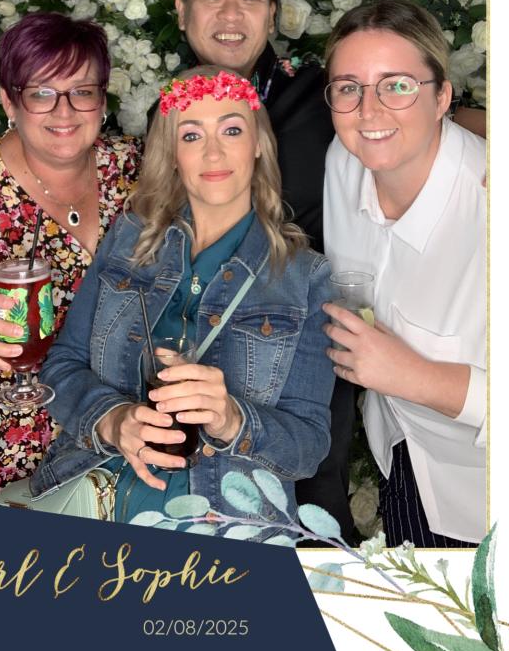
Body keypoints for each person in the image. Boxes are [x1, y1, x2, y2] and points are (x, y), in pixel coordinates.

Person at [30, 68, 334, 536]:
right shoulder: (129, 239)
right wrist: (113, 419)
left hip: (225, 528)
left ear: (258, 143)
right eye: (192, 135)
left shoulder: (304, 276)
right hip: (97, 502)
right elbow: (62, 366)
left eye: (231, 130)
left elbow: (308, 447)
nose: (213, 152)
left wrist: (232, 419)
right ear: (172, 154)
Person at [173, 0, 352, 539]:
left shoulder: (324, 94)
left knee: (313, 507)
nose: (231, 14)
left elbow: (426, 119)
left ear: (272, 16)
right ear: (182, 12)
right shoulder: (171, 112)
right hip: (205, 346)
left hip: (305, 344)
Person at [0, 12, 140, 501]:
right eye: (41, 93)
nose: (65, 111)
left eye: (82, 91)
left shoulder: (135, 168)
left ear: (102, 100)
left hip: (114, 435)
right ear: (9, 102)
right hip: (0, 445)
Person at [322, 0, 486, 547]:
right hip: (400, 455)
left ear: (442, 97)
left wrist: (410, 374)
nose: (368, 111)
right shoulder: (343, 162)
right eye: (349, 87)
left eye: (397, 86)